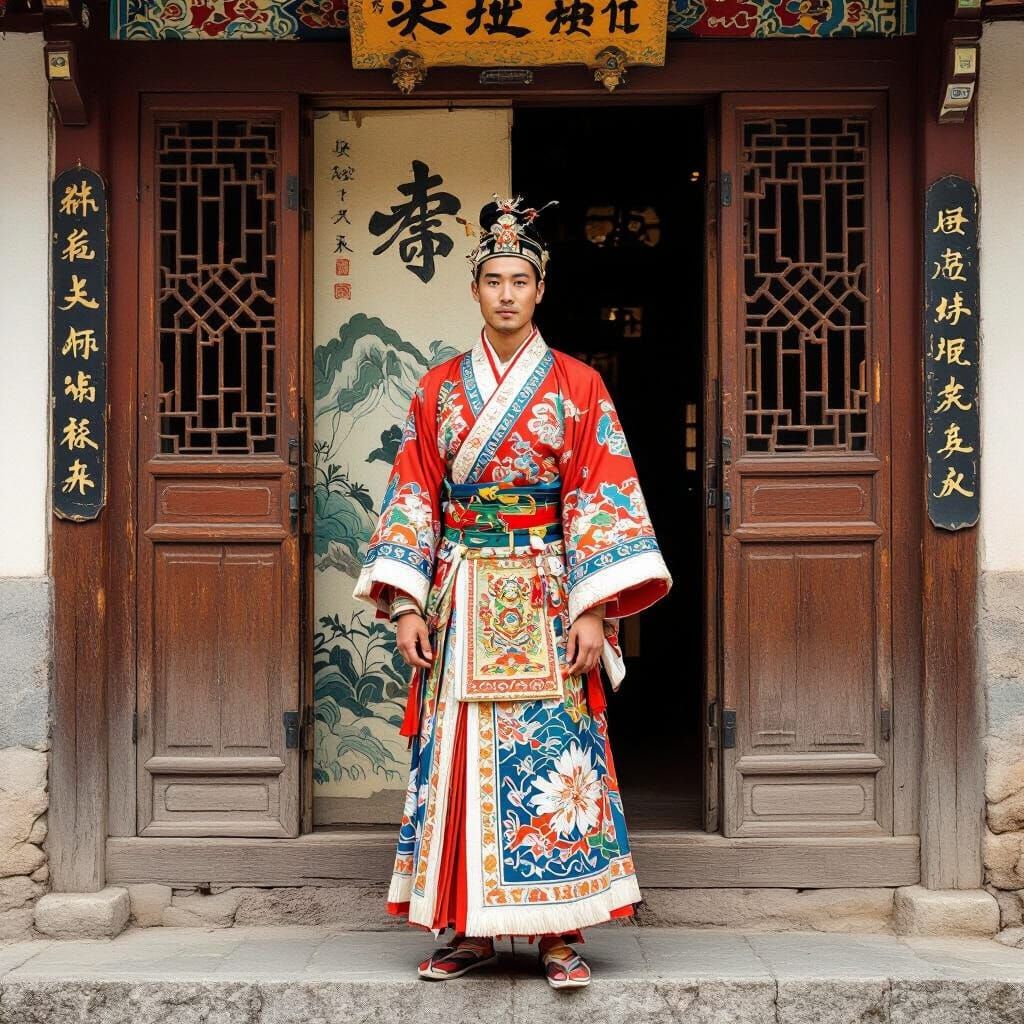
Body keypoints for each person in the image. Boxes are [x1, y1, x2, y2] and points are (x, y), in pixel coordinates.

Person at [353, 193, 672, 988]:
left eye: (518, 280)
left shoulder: (578, 385)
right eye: (492, 278)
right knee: (459, 756)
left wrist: (593, 608)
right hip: (461, 593)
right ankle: (467, 931)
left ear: (539, 291)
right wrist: (404, 604)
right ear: (476, 290)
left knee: (556, 759)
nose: (504, 292)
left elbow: (599, 493)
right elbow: (416, 493)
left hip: (545, 593)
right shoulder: (438, 390)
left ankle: (560, 930)